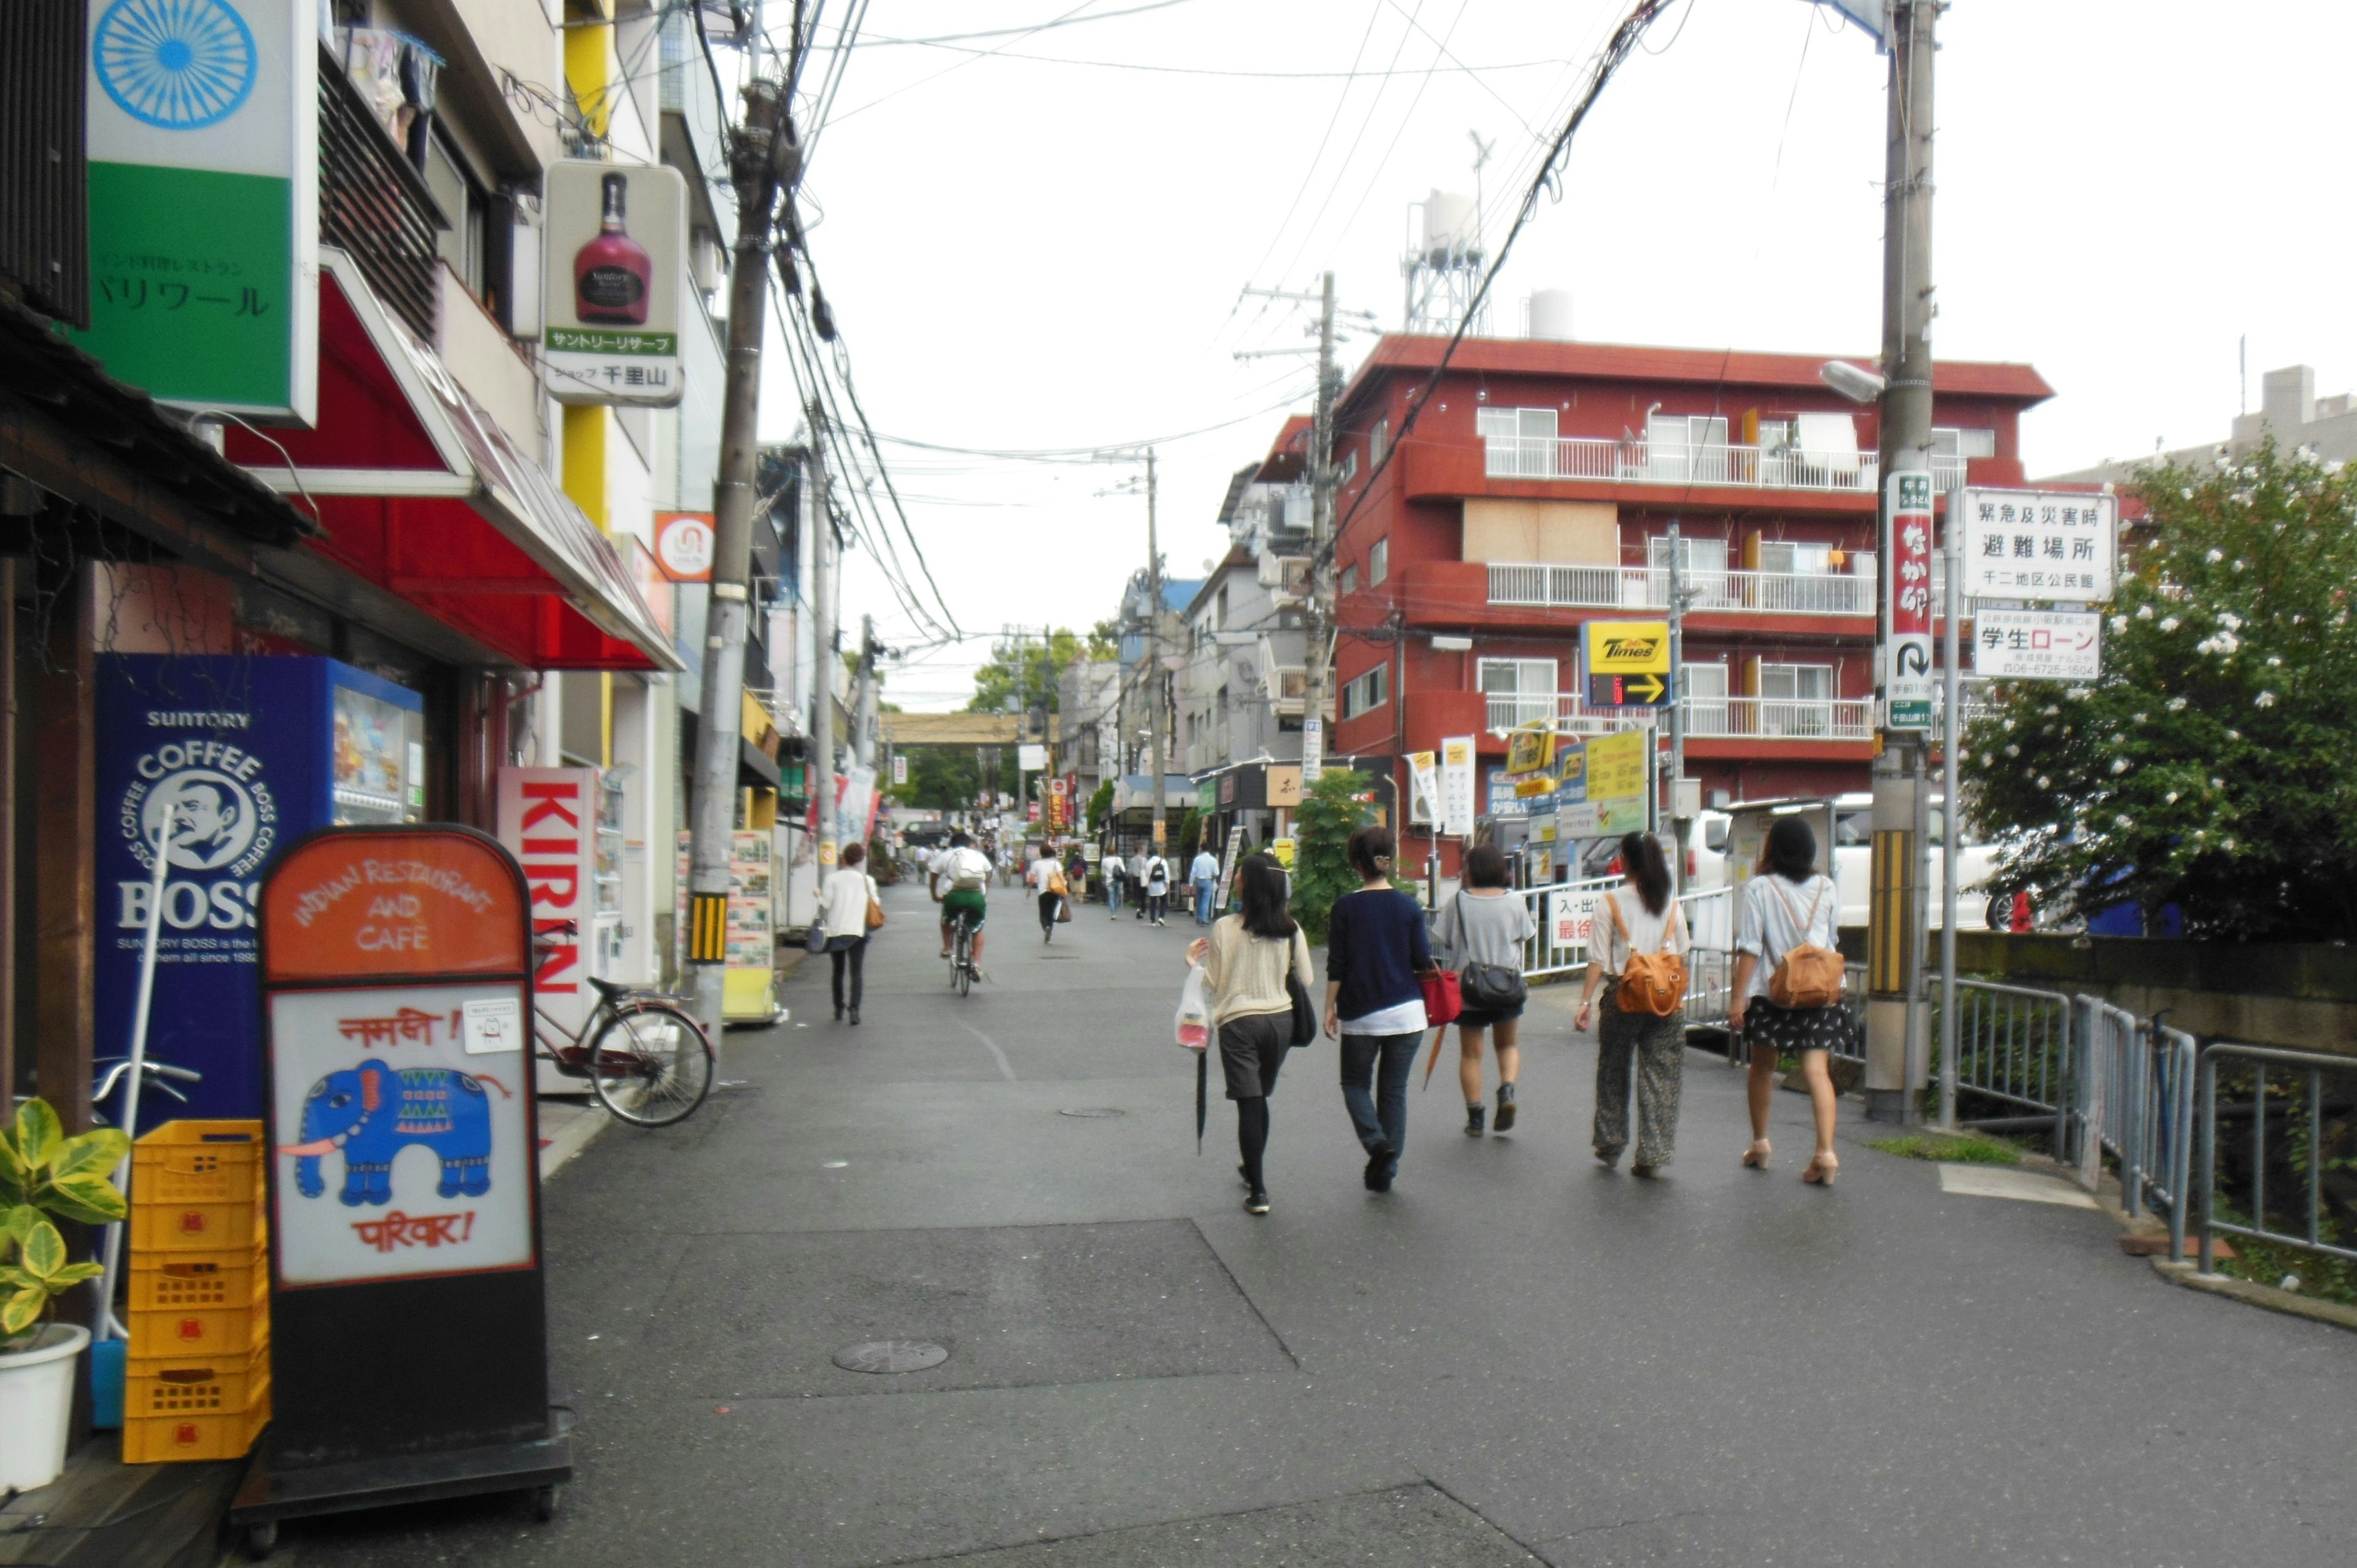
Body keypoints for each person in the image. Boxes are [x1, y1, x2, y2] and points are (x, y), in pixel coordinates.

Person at [1186, 853, 1315, 1216]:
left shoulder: (1226, 928)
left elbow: (1213, 982)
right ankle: (1252, 1168)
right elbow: (1305, 980)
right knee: (1260, 1099)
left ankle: (1259, 1191)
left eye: (1240, 873)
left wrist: (1190, 962)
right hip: (1281, 1022)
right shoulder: (1291, 928)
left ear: (1250, 883)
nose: (1237, 877)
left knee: (1250, 1102)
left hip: (1239, 1023)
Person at [1728, 815, 1845, 1186]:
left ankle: (1760, 1144)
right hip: (1819, 991)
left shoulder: (1760, 888)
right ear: (1810, 850)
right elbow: (1833, 939)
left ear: (1772, 849)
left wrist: (1738, 999)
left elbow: (1750, 947)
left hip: (1774, 991)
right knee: (1816, 1071)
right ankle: (1825, 1153)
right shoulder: (1827, 887)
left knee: (1763, 1067)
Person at [1574, 832, 1692, 1175]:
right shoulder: (1671, 902)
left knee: (1613, 1070)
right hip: (1666, 1001)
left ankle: (1611, 1144)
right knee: (1661, 1078)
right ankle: (1652, 1155)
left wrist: (1584, 1002)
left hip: (1623, 997)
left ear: (1625, 860)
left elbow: (1597, 958)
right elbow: (1682, 953)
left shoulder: (1610, 901)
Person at [1324, 825, 1433, 1192]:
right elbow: (1422, 959)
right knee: (1393, 1092)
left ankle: (1377, 1145)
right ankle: (1385, 1172)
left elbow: (1337, 965)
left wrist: (1329, 1008)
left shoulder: (1346, 907)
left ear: (1357, 863)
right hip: (1408, 1013)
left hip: (1361, 1015)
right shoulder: (1409, 906)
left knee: (1355, 1084)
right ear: (1388, 860)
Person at [1435, 843, 1538, 1138]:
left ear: (1471, 870)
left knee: (1471, 1055)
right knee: (1507, 1045)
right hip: (1507, 986)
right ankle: (1506, 1091)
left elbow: (1446, 941)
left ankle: (1476, 1118)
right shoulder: (1515, 901)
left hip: (1469, 988)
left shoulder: (1458, 902)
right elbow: (1525, 936)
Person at [818, 842, 878, 1025]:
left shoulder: (832, 879)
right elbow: (875, 902)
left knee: (838, 971)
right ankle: (855, 1011)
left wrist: (817, 894)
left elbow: (826, 904)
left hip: (837, 930)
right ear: (860, 860)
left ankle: (838, 1008)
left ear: (843, 857)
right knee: (856, 972)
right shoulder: (868, 881)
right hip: (859, 931)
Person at [929, 829, 993, 971]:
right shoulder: (978, 855)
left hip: (954, 895)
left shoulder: (946, 855)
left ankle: (947, 948)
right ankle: (976, 964)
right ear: (970, 843)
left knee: (946, 920)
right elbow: (988, 874)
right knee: (978, 930)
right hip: (976, 896)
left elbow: (934, 875)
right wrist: (984, 893)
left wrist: (935, 895)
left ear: (951, 844)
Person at [1030, 844, 1067, 941]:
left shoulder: (1036, 864)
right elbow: (1061, 877)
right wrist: (1064, 888)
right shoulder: (1056, 863)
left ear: (1041, 853)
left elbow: (1032, 878)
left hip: (1043, 892)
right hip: (1055, 891)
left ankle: (1046, 927)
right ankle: (1050, 929)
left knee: (1043, 914)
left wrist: (1029, 890)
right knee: (1051, 913)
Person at [1190, 841, 1221, 925]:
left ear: (1201, 849)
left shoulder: (1197, 859)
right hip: (1208, 881)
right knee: (1206, 901)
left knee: (1199, 900)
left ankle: (1199, 918)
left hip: (1199, 880)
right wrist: (1212, 878)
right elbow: (1217, 873)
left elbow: (1193, 872)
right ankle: (1204, 919)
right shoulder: (1213, 860)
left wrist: (1191, 884)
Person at [1143, 849, 1173, 925]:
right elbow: (1166, 874)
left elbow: (1147, 875)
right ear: (1157, 853)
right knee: (1163, 901)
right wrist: (1168, 884)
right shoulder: (1163, 861)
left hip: (1152, 885)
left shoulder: (1148, 863)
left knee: (1153, 903)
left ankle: (1153, 921)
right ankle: (1161, 917)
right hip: (1162, 885)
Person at [1130, 848, 1150, 920]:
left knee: (1137, 896)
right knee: (1143, 896)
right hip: (1143, 879)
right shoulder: (1145, 860)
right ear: (1140, 851)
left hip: (1135, 879)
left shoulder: (1132, 860)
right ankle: (1142, 911)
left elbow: (1131, 871)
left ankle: (1138, 909)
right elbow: (1147, 870)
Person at [1105, 848, 1126, 917]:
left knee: (1111, 897)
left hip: (1109, 881)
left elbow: (1103, 872)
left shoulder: (1105, 861)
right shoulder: (1119, 859)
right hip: (1118, 880)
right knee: (1117, 896)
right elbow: (1123, 870)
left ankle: (1113, 914)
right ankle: (1116, 912)